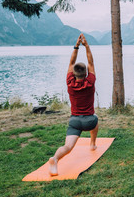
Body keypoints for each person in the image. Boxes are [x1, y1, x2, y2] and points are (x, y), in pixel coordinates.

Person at [49, 33, 99, 176]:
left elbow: (71, 63)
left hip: (75, 121)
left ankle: (55, 158)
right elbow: (91, 63)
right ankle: (92, 143)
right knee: (96, 119)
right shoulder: (90, 82)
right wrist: (86, 46)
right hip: (89, 120)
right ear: (86, 73)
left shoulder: (70, 83)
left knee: (68, 146)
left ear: (74, 73)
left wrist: (76, 46)